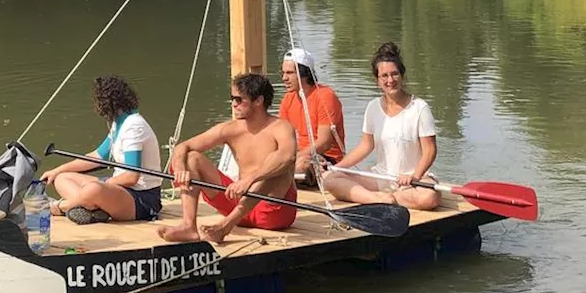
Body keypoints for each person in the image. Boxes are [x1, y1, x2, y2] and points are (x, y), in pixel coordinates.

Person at [158, 72, 298, 244]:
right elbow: (183, 146)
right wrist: (179, 168)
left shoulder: (280, 127)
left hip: (272, 213)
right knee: (191, 158)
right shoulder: (230, 129)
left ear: (258, 101)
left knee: (279, 167)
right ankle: (189, 226)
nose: (233, 104)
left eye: (239, 100)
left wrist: (249, 180)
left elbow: (288, 156)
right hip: (238, 205)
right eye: (232, 99)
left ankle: (225, 227)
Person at [321, 42, 441, 210]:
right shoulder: (373, 107)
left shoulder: (420, 108)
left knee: (429, 198)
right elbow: (365, 146)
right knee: (330, 179)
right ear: (377, 80)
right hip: (381, 178)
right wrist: (336, 167)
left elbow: (430, 151)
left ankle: (387, 198)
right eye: (384, 76)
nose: (390, 80)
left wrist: (414, 175)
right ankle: (378, 199)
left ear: (402, 75)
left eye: (394, 74)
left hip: (414, 179)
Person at [40, 75, 163, 224]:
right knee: (63, 178)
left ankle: (58, 207)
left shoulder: (133, 127)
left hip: (142, 199)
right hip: (119, 190)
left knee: (93, 190)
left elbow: (132, 177)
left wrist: (104, 185)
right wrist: (57, 171)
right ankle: (92, 209)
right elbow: (96, 157)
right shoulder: (119, 124)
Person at [278, 48, 345, 186]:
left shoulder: (325, 96)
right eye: (283, 73)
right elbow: (281, 137)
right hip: (298, 156)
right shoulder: (288, 99)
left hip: (327, 158)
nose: (284, 78)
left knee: (299, 166)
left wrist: (296, 158)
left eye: (290, 73)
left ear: (305, 74)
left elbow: (324, 142)